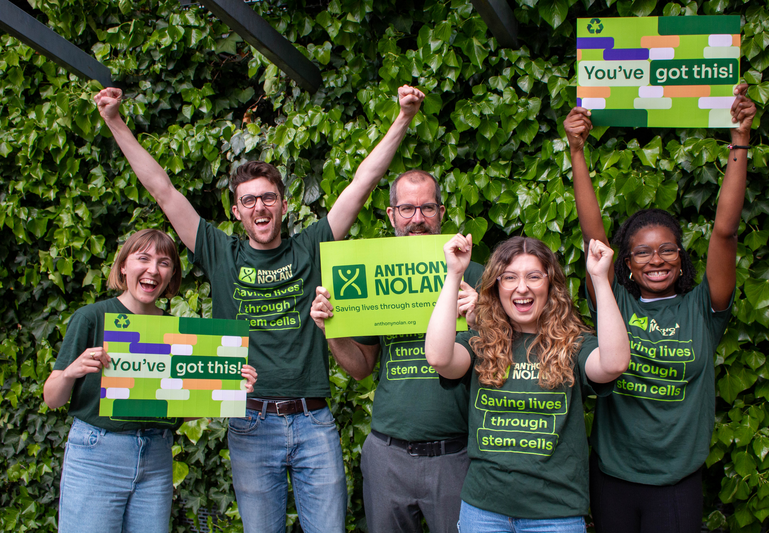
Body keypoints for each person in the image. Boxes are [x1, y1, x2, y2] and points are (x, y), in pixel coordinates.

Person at [94, 85, 424, 533]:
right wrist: (115, 121)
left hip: (313, 421)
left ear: (284, 205)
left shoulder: (313, 245)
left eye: (268, 197)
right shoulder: (220, 253)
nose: (259, 206)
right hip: (249, 422)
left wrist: (403, 116)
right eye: (248, 200)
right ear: (237, 211)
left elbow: (362, 183)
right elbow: (164, 191)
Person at [564, 83, 756, 532]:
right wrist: (576, 152)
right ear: (625, 263)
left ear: (681, 256)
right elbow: (594, 238)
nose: (656, 261)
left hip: (677, 483)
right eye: (643, 253)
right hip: (612, 479)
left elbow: (724, 233)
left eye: (667, 250)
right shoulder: (615, 301)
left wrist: (740, 140)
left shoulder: (703, 307)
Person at [43, 229, 258, 533]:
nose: (153, 270)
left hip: (156, 457)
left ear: (171, 275)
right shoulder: (92, 317)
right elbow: (52, 398)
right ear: (123, 267)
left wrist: (227, 388)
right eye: (143, 258)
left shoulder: (178, 332)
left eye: (164, 262)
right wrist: (70, 371)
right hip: (97, 455)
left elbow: (177, 410)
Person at [310, 169, 483, 533]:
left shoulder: (475, 276)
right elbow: (361, 369)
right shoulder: (374, 274)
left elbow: (511, 358)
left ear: (442, 211)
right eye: (406, 209)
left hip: (455, 454)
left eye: (427, 208)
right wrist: (332, 332)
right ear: (391, 215)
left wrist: (485, 316)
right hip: (388, 454)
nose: (417, 218)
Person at [424, 233, 631, 532]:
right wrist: (454, 273)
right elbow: (439, 357)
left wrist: (599, 278)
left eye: (534, 276)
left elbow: (614, 364)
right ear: (496, 287)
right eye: (509, 277)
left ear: (550, 284)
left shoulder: (573, 345)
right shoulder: (481, 343)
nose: (522, 287)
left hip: (555, 515)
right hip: (483, 511)